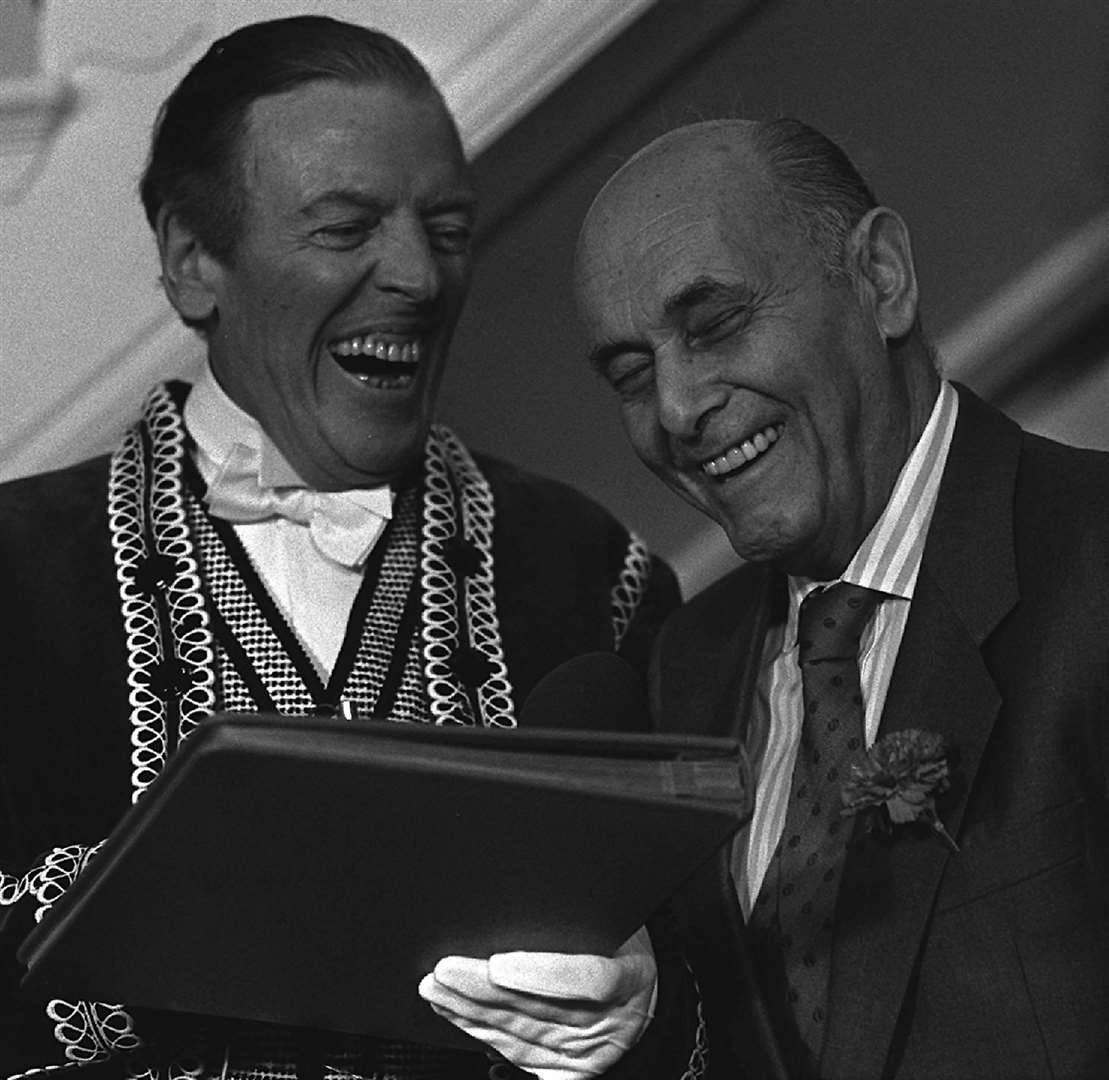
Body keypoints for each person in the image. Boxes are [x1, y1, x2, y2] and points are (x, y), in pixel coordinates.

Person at [0, 17, 691, 1080]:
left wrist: (649, 1011)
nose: (416, 275)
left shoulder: (590, 573)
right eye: (345, 226)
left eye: (448, 227)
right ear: (193, 261)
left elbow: (740, 978)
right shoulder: (14, 579)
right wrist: (185, 901)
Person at [572, 116, 1109, 1079]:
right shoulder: (684, 670)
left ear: (881, 278)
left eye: (715, 325)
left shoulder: (1094, 558)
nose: (678, 408)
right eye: (630, 373)